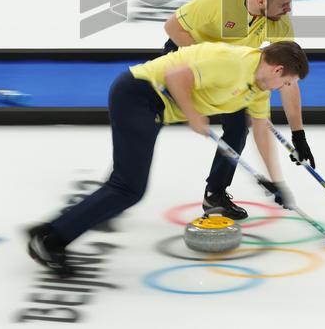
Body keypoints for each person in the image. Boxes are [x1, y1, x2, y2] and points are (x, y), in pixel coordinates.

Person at [27, 40, 310, 276]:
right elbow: (176, 76)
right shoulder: (233, 62)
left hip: (152, 107)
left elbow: (260, 128)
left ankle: (52, 230)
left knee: (126, 185)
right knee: (127, 187)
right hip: (138, 94)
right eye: (286, 82)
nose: (282, 87)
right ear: (277, 69)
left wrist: (276, 182)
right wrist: (193, 115)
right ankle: (50, 240)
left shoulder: (259, 88)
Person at [163, 0, 315, 220]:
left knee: (238, 126)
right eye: (284, 4)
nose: (288, 9)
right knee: (155, 114)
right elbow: (173, 28)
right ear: (261, 0)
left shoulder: (279, 23)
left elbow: (288, 79)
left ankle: (215, 194)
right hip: (187, 57)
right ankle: (123, 177)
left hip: (232, 72)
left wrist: (298, 134)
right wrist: (205, 61)